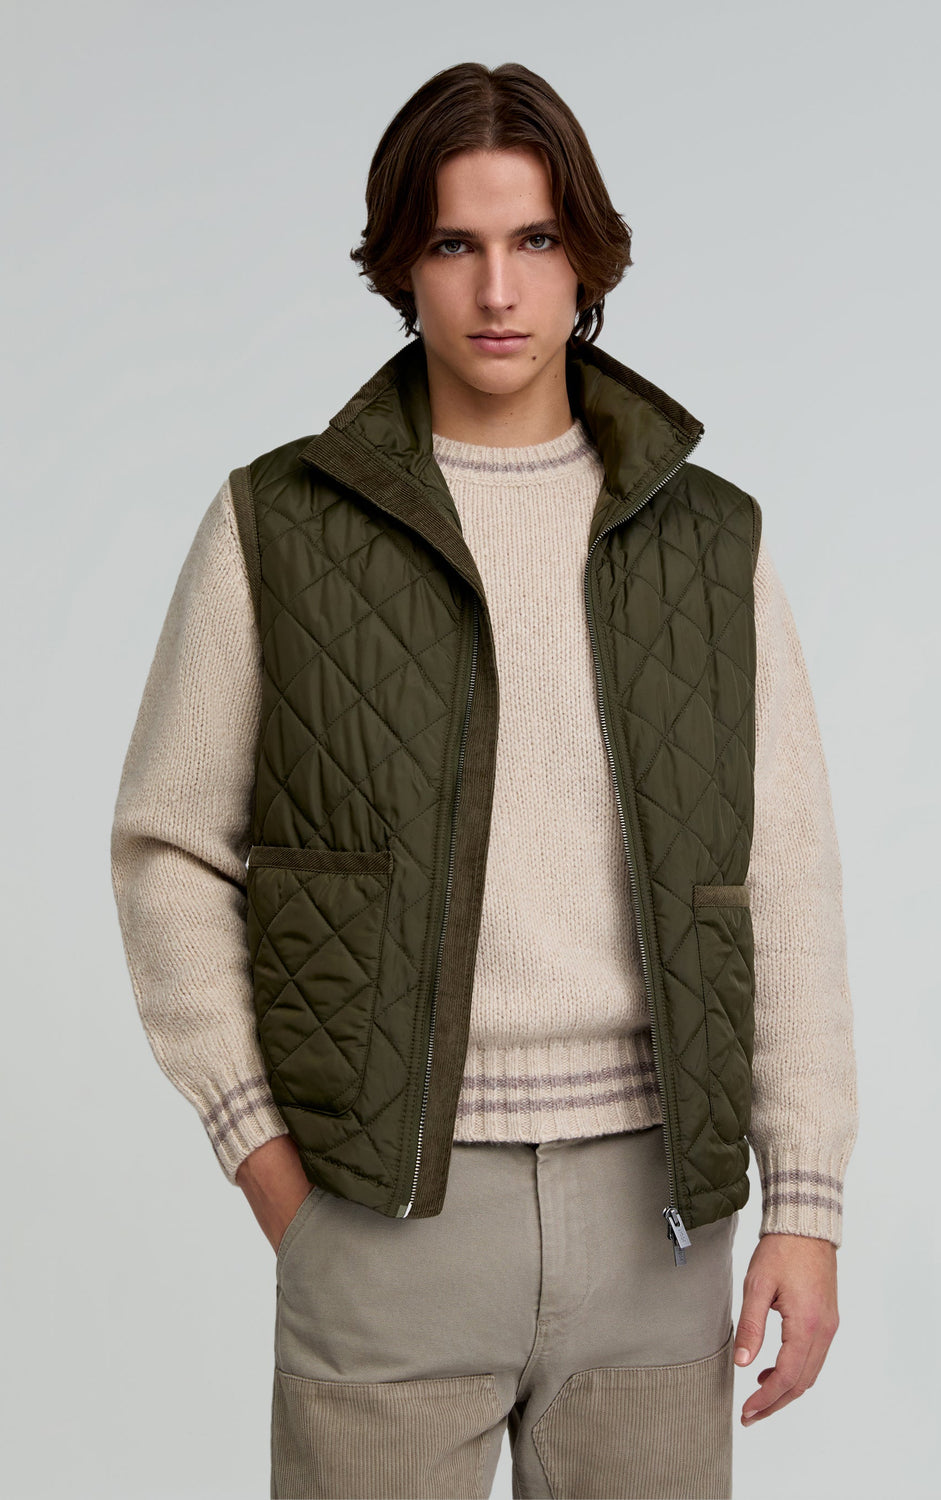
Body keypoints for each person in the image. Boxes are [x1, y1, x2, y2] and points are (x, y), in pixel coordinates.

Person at [110, 60, 858, 1500]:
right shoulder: (281, 523)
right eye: (456, 242)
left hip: (658, 1225)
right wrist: (269, 1163)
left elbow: (786, 873)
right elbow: (169, 848)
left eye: (535, 239)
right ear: (404, 263)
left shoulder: (708, 539)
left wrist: (808, 1203)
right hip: (385, 1218)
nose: (498, 289)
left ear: (587, 261)